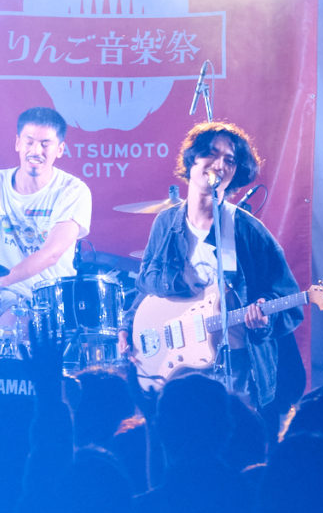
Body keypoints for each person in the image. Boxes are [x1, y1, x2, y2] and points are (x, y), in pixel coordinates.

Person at [130, 120, 304, 417]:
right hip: (178, 367)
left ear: (236, 173)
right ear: (192, 160)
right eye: (211, 153)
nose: (220, 164)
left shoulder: (247, 231)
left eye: (230, 160)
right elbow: (145, 289)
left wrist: (264, 320)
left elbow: (289, 302)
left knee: (234, 437)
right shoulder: (165, 224)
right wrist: (128, 326)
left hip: (235, 368)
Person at [0, 105, 93, 346]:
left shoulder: (73, 191)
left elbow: (51, 254)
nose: (35, 151)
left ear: (60, 149)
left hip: (54, 296)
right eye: (29, 142)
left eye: (45, 144)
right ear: (18, 143)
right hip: (2, 294)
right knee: (19, 330)